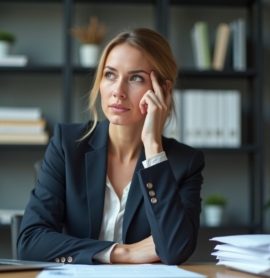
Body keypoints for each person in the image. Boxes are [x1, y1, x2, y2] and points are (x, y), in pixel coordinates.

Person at [17, 28, 205, 265]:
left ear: (162, 90)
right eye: (110, 75)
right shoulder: (68, 144)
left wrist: (153, 147)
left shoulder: (184, 163)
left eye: (135, 78)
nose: (118, 91)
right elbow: (30, 242)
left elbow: (175, 249)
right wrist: (122, 252)